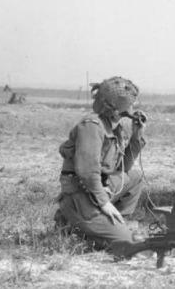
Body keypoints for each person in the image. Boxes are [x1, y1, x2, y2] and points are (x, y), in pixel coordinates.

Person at [54, 76, 147, 250]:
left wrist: (137, 136)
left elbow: (123, 169)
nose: (134, 108)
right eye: (131, 103)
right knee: (129, 243)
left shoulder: (115, 127)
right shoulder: (92, 126)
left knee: (135, 177)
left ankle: (117, 222)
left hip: (96, 190)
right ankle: (73, 225)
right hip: (81, 195)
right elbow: (87, 172)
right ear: (117, 108)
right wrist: (105, 203)